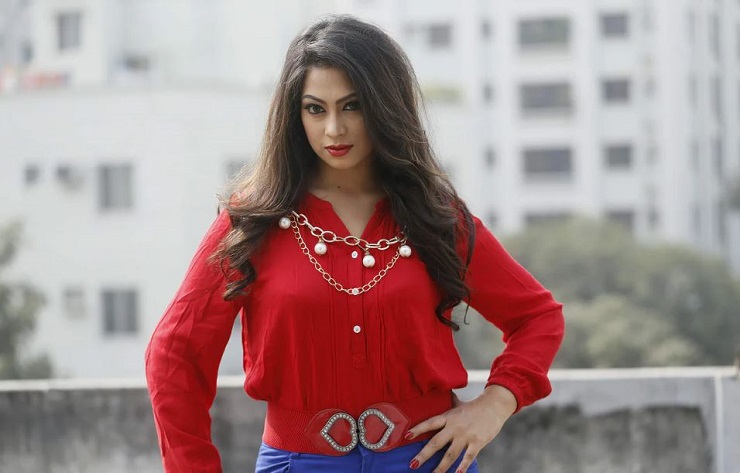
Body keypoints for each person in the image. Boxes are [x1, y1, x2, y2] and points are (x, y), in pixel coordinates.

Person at [145, 14, 564, 473]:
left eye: (352, 106)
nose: (334, 130)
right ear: (294, 114)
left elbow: (537, 317)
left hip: (427, 461)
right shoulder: (252, 222)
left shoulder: (435, 217)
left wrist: (495, 405)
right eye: (315, 109)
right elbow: (174, 354)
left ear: (384, 106)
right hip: (297, 464)